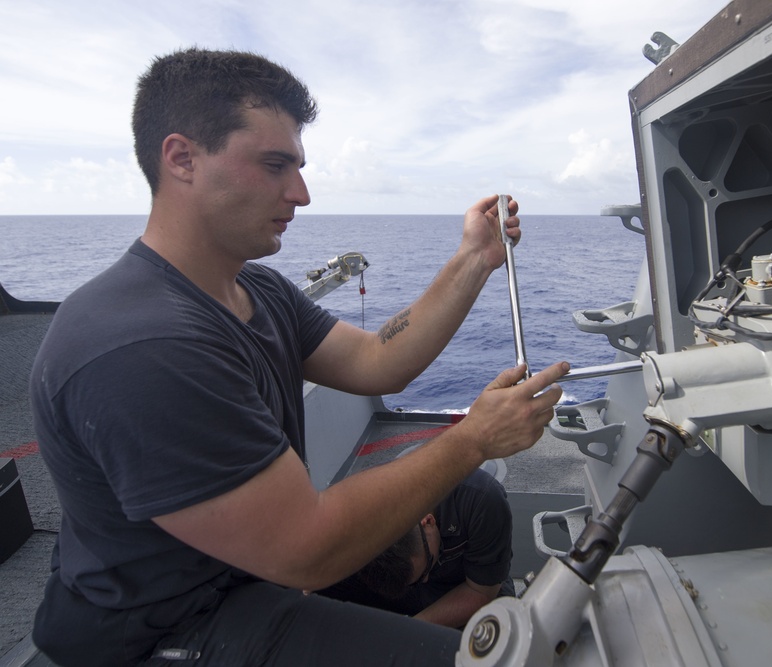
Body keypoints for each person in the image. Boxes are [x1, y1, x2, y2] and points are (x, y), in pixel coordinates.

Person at [29, 47, 568, 667]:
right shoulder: (142, 343)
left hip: (245, 582)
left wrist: (474, 258)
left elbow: (375, 362)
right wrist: (474, 439)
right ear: (181, 159)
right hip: (159, 630)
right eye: (276, 164)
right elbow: (305, 547)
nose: (302, 193)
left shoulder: (253, 286)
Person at [319, 467, 515, 628]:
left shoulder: (481, 499)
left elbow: (482, 593)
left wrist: (412, 630)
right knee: (324, 584)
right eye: (421, 575)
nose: (426, 577)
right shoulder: (366, 504)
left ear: (427, 522)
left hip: (475, 587)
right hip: (415, 588)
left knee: (494, 636)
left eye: (427, 566)